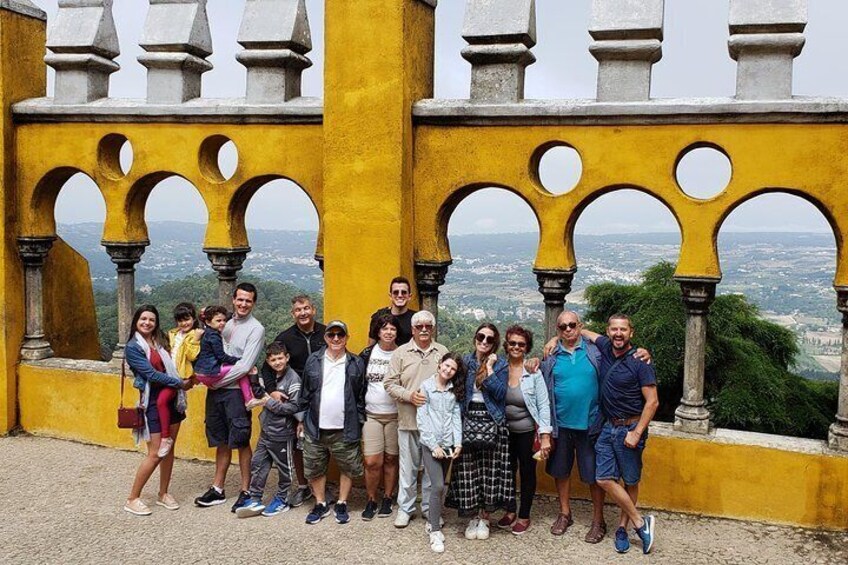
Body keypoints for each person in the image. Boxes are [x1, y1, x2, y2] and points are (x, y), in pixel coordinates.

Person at [583, 314, 659, 555]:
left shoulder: (640, 361)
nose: (618, 333)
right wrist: (554, 340)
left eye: (623, 330)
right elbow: (583, 332)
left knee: (630, 480)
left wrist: (637, 433)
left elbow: (653, 402)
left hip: (630, 427)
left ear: (631, 333)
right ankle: (640, 522)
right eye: (614, 329)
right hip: (607, 426)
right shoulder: (605, 346)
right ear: (608, 331)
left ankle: (623, 529)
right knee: (603, 478)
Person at [195, 283, 265, 514]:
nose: (243, 304)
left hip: (234, 390)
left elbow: (245, 365)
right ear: (233, 300)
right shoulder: (223, 322)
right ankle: (218, 488)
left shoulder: (256, 329)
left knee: (241, 440)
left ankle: (247, 490)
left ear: (253, 303)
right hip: (217, 391)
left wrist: (215, 382)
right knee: (221, 439)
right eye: (240, 299)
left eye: (248, 300)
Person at [446, 323, 513, 541]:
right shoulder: (465, 362)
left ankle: (485, 517)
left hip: (492, 419)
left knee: (490, 471)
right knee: (468, 470)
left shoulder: (502, 364)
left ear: (495, 343)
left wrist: (491, 369)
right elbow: (451, 386)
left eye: (489, 339)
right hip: (468, 418)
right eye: (480, 336)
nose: (484, 342)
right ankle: (473, 516)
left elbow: (502, 393)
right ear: (475, 337)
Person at [123, 305, 193, 515]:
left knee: (169, 449)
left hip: (172, 398)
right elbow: (150, 375)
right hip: (153, 400)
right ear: (136, 320)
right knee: (155, 453)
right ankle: (132, 498)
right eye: (143, 319)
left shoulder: (160, 339)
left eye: (151, 320)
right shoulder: (133, 347)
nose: (147, 323)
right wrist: (179, 383)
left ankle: (163, 493)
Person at [383, 309, 449, 528]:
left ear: (432, 328)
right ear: (412, 329)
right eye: (419, 326)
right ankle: (406, 508)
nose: (423, 330)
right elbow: (389, 384)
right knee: (408, 468)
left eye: (427, 326)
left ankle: (431, 510)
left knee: (433, 471)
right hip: (409, 420)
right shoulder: (401, 353)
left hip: (435, 426)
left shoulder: (442, 352)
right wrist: (409, 396)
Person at [298, 321, 366, 525]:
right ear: (326, 337)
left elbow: (361, 394)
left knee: (348, 465)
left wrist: (359, 420)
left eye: (340, 335)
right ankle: (320, 503)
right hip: (315, 425)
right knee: (314, 466)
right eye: (332, 335)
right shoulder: (314, 360)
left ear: (346, 337)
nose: (336, 338)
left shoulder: (355, 362)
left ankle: (342, 502)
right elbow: (305, 391)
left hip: (345, 425)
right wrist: (300, 419)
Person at [236, 342, 303, 518]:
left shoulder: (293, 379)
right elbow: (261, 392)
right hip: (266, 431)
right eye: (273, 359)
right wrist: (253, 377)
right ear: (268, 361)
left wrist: (268, 402)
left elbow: (294, 407)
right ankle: (255, 497)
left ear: (287, 358)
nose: (277, 362)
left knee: (284, 469)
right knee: (258, 464)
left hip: (283, 434)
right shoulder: (272, 376)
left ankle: (282, 499)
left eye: (280, 358)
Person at [496, 325, 552, 535]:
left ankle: (524, 514)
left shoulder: (533, 373)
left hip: (527, 431)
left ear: (527, 347)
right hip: (503, 431)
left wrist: (545, 435)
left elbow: (543, 405)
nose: (516, 347)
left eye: (521, 344)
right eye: (512, 343)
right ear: (506, 345)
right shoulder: (500, 369)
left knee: (527, 473)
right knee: (507, 471)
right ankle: (510, 510)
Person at [274, 294, 325, 507]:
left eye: (306, 308)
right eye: (298, 310)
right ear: (292, 313)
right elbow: (270, 364)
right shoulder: (284, 338)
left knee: (323, 441)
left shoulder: (326, 333)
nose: (303, 313)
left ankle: (321, 486)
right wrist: (271, 390)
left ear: (313, 310)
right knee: (298, 442)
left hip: (323, 394)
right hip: (296, 397)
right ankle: (304, 485)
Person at [417, 352, 465, 554]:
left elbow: (456, 418)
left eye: (452, 369)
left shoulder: (453, 391)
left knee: (440, 485)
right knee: (436, 485)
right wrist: (433, 445)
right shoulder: (426, 387)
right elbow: (422, 419)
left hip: (448, 446)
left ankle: (433, 518)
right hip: (431, 445)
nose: (448, 370)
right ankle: (434, 530)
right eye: (446, 366)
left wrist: (458, 444)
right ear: (439, 365)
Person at [359, 313, 401, 520]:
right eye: (384, 328)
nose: (388, 332)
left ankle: (387, 497)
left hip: (395, 415)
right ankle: (371, 498)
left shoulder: (402, 354)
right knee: (372, 461)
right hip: (372, 415)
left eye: (392, 329)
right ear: (377, 331)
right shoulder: (367, 354)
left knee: (392, 458)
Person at [194, 305, 264, 411]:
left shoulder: (207, 333)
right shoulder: (214, 336)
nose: (222, 323)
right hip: (209, 371)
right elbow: (221, 356)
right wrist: (239, 360)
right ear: (208, 322)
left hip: (200, 371)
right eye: (218, 321)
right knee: (242, 370)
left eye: (224, 320)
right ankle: (249, 399)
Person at [154, 303, 202, 459]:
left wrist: (194, 340)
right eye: (180, 320)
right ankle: (164, 436)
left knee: (161, 402)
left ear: (194, 319)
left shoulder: (194, 335)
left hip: (180, 378)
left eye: (187, 319)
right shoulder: (173, 333)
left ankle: (166, 437)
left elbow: (192, 356)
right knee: (162, 403)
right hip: (168, 375)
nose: (184, 323)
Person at [368, 276, 417, 347]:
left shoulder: (416, 318)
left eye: (403, 292)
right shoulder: (378, 316)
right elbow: (370, 346)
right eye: (396, 292)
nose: (400, 295)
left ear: (409, 296)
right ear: (390, 296)